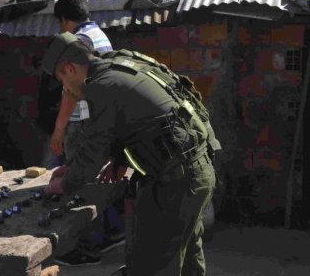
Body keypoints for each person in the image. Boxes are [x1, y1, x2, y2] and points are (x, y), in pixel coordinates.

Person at [42, 32, 217, 276]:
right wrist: (119, 159)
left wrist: (66, 183)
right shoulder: (121, 62)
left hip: (177, 182)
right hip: (194, 171)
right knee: (186, 253)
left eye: (62, 79)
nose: (66, 88)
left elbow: (93, 149)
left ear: (69, 70)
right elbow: (142, 120)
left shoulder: (102, 87)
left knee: (154, 264)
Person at [46, 0, 124, 267]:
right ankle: (112, 231)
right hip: (102, 117)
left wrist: (58, 131)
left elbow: (70, 91)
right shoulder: (100, 35)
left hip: (84, 121)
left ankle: (85, 248)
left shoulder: (78, 42)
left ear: (64, 21)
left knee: (80, 182)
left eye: (59, 24)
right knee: (102, 178)